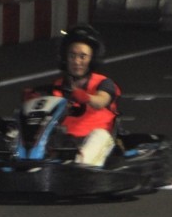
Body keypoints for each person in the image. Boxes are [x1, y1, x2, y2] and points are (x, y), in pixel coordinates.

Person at [44, 24, 119, 166]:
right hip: (65, 140)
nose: (76, 61)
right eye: (72, 56)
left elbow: (101, 101)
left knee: (99, 137)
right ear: (65, 58)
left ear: (92, 59)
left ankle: (81, 168)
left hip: (96, 137)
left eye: (82, 56)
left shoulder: (103, 83)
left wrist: (86, 97)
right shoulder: (58, 85)